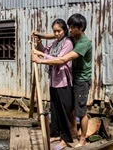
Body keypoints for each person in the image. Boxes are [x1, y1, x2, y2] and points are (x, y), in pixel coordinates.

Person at [32, 13, 92, 148]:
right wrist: (39, 39)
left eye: (72, 28)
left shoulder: (77, 42)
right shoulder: (61, 40)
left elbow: (61, 59)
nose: (70, 30)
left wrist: (40, 58)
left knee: (79, 111)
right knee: (60, 109)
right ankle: (65, 133)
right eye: (69, 27)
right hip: (58, 79)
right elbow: (49, 41)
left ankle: (81, 139)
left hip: (78, 79)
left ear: (81, 27)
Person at [33, 18, 74, 149]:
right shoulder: (56, 42)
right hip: (54, 80)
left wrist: (39, 56)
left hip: (63, 81)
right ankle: (55, 133)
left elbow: (59, 60)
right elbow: (45, 51)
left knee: (64, 111)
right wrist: (39, 43)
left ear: (64, 30)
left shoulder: (68, 43)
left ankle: (65, 138)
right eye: (54, 31)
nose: (56, 34)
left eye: (59, 31)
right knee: (55, 110)